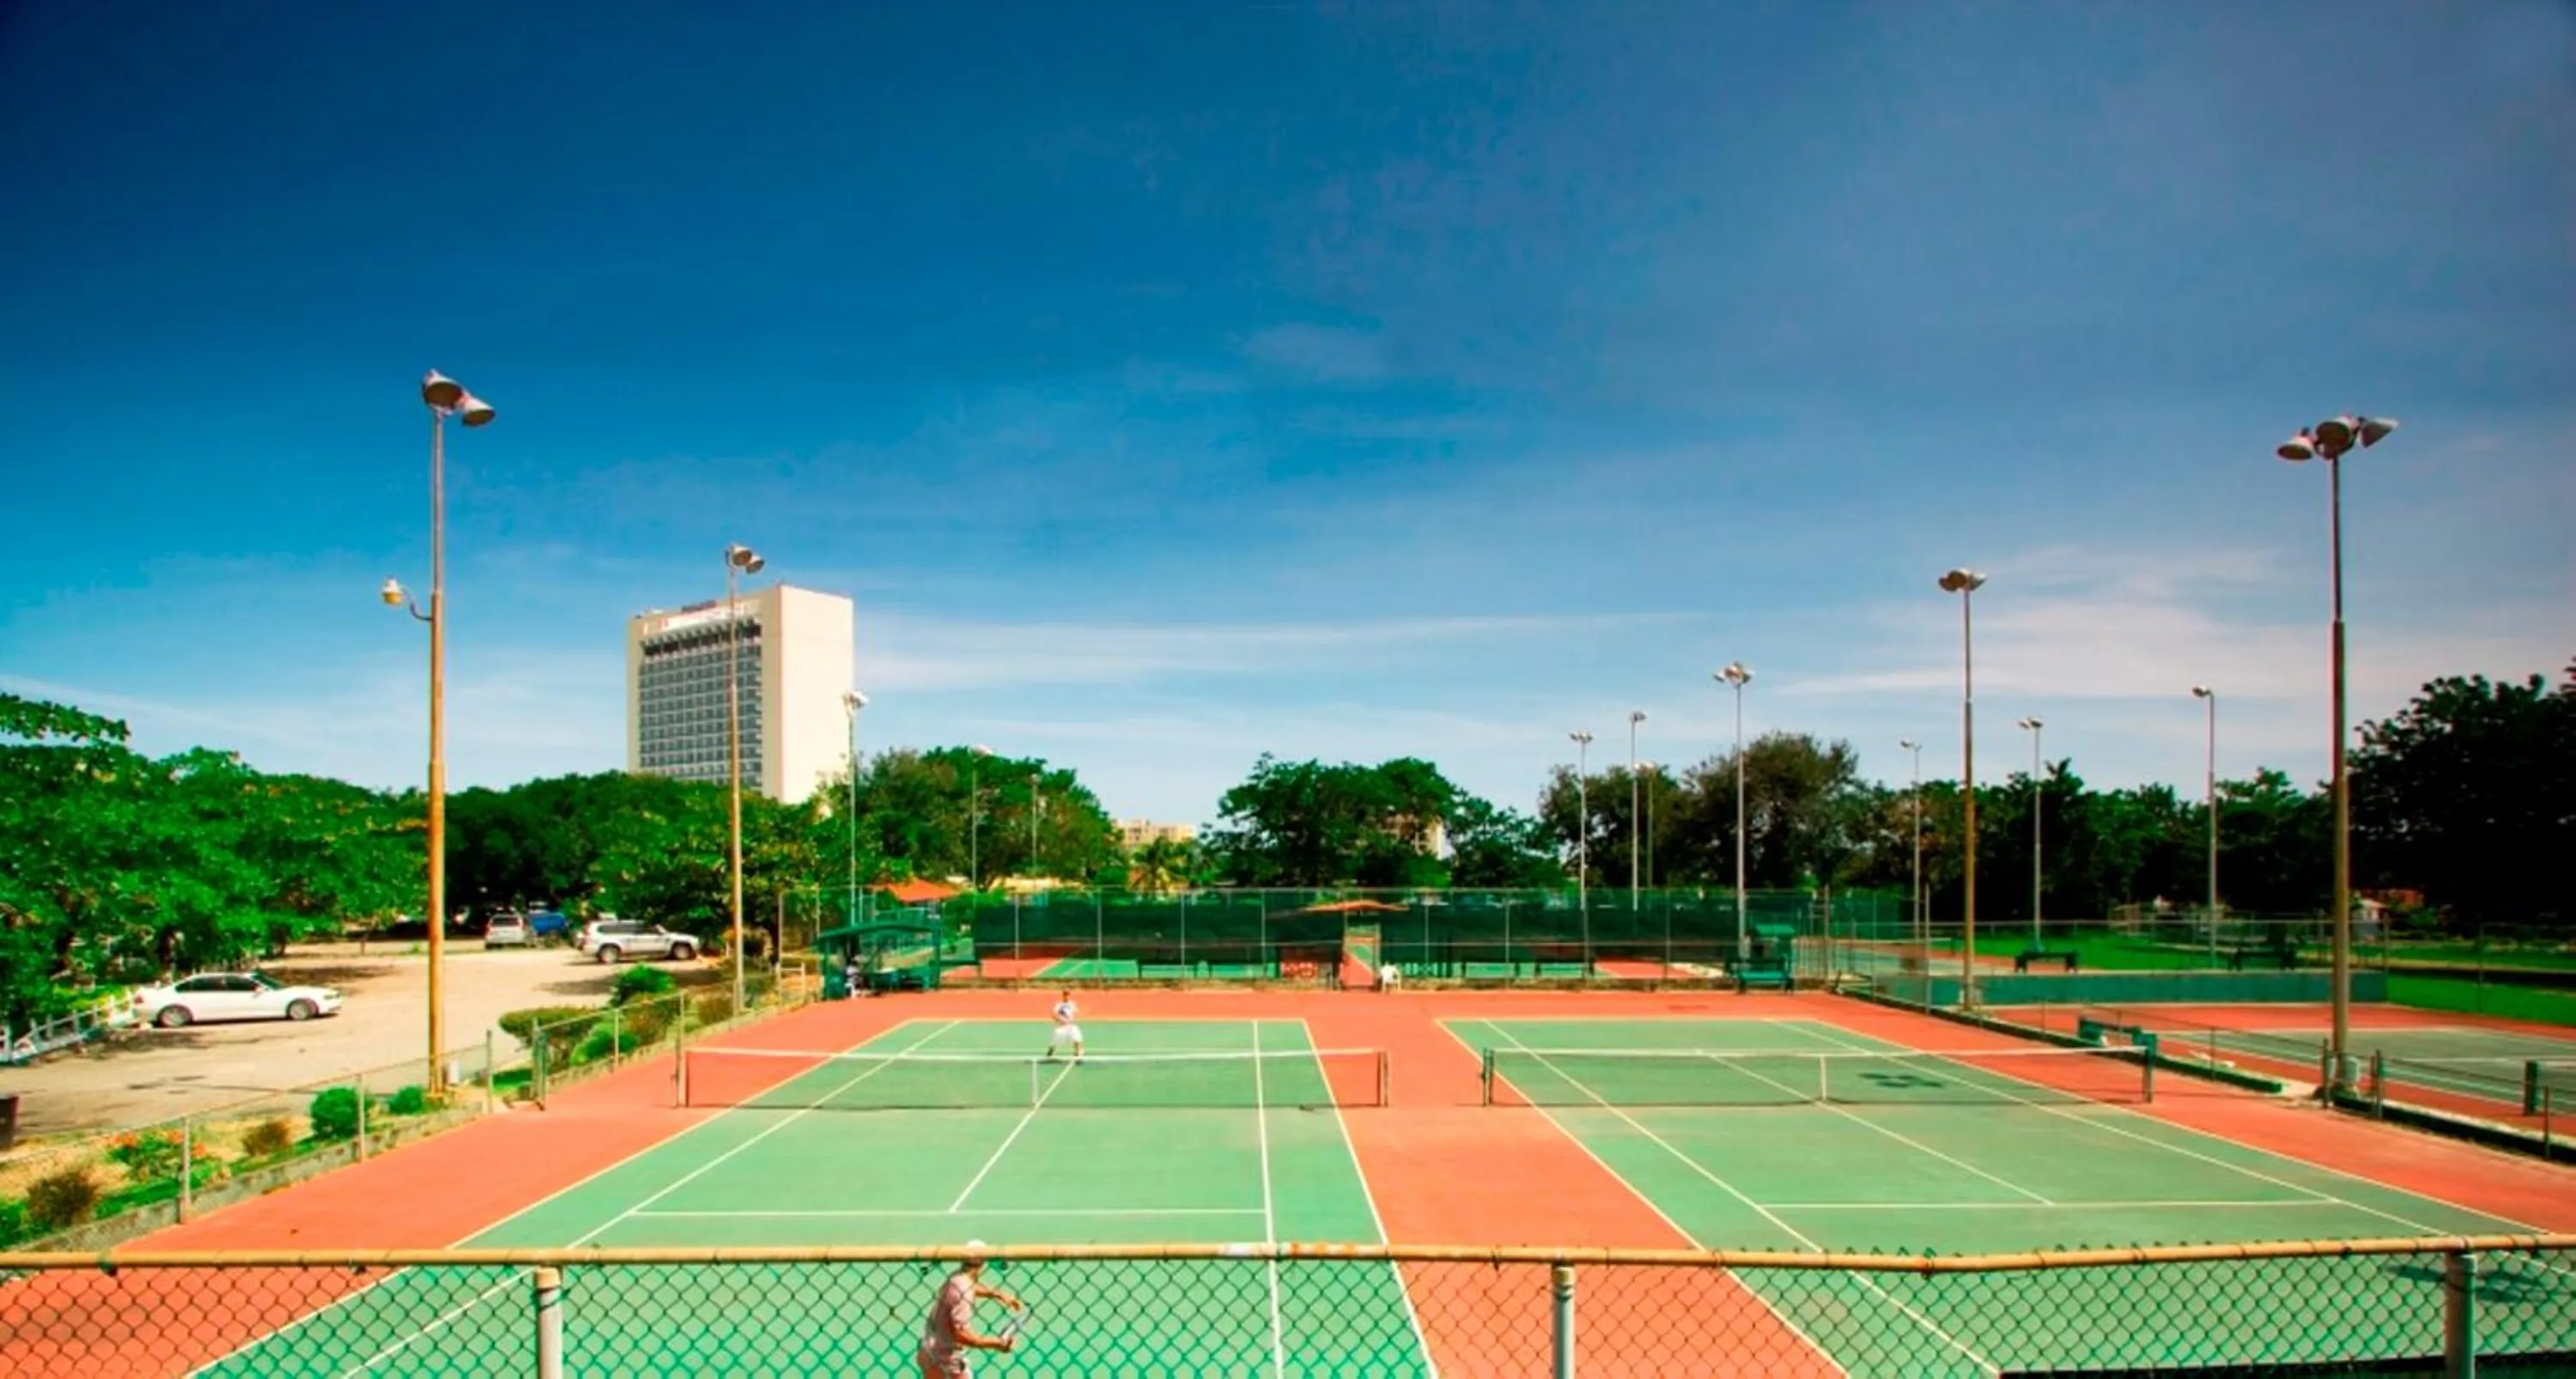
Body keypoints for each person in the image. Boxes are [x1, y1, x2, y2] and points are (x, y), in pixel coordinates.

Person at [917, 1241, 1023, 1378]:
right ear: (984, 1263)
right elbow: (961, 1334)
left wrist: (997, 1294)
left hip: (928, 1352)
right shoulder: (964, 1293)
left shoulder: (956, 1279)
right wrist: (997, 1343)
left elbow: (971, 1287)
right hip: (947, 1361)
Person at [1043, 990, 1084, 1062]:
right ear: (1063, 995)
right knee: (1055, 1042)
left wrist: (1074, 1018)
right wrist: (1058, 1020)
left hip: (1071, 1026)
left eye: (1068, 994)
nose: (1067, 996)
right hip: (1062, 1027)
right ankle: (1050, 1052)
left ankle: (1077, 1055)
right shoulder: (1059, 1004)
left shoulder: (1073, 1004)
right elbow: (1052, 1013)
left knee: (1077, 1039)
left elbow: (1077, 1012)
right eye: (1065, 994)